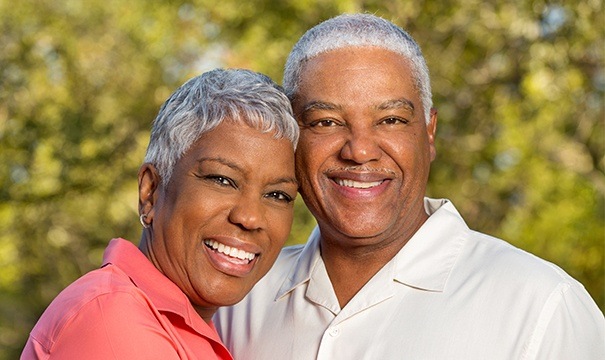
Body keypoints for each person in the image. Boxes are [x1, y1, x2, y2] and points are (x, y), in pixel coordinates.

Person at [214, 14, 605, 359]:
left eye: (391, 120)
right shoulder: (236, 296)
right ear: (292, 138)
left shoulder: (542, 308)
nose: (360, 150)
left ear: (429, 133)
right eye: (326, 122)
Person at [21, 68, 300, 359]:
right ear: (150, 191)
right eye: (222, 180)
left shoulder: (194, 327)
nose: (250, 217)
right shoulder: (114, 318)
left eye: (277, 195)